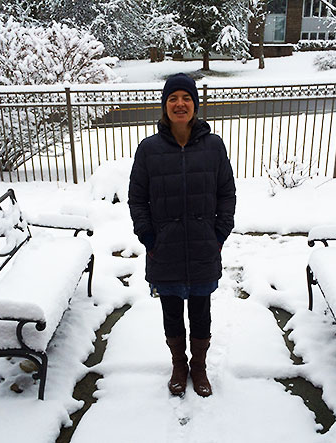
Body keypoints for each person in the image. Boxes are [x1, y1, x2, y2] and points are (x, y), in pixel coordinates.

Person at [128, 73, 236, 397]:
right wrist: (149, 236)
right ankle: (179, 365)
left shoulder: (213, 146)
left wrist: (219, 232)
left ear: (195, 104)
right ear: (165, 105)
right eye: (173, 98)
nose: (180, 104)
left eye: (186, 98)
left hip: (204, 245)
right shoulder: (149, 149)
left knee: (201, 313)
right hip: (165, 249)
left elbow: (226, 193)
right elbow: (137, 197)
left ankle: (199, 367)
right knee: (172, 312)